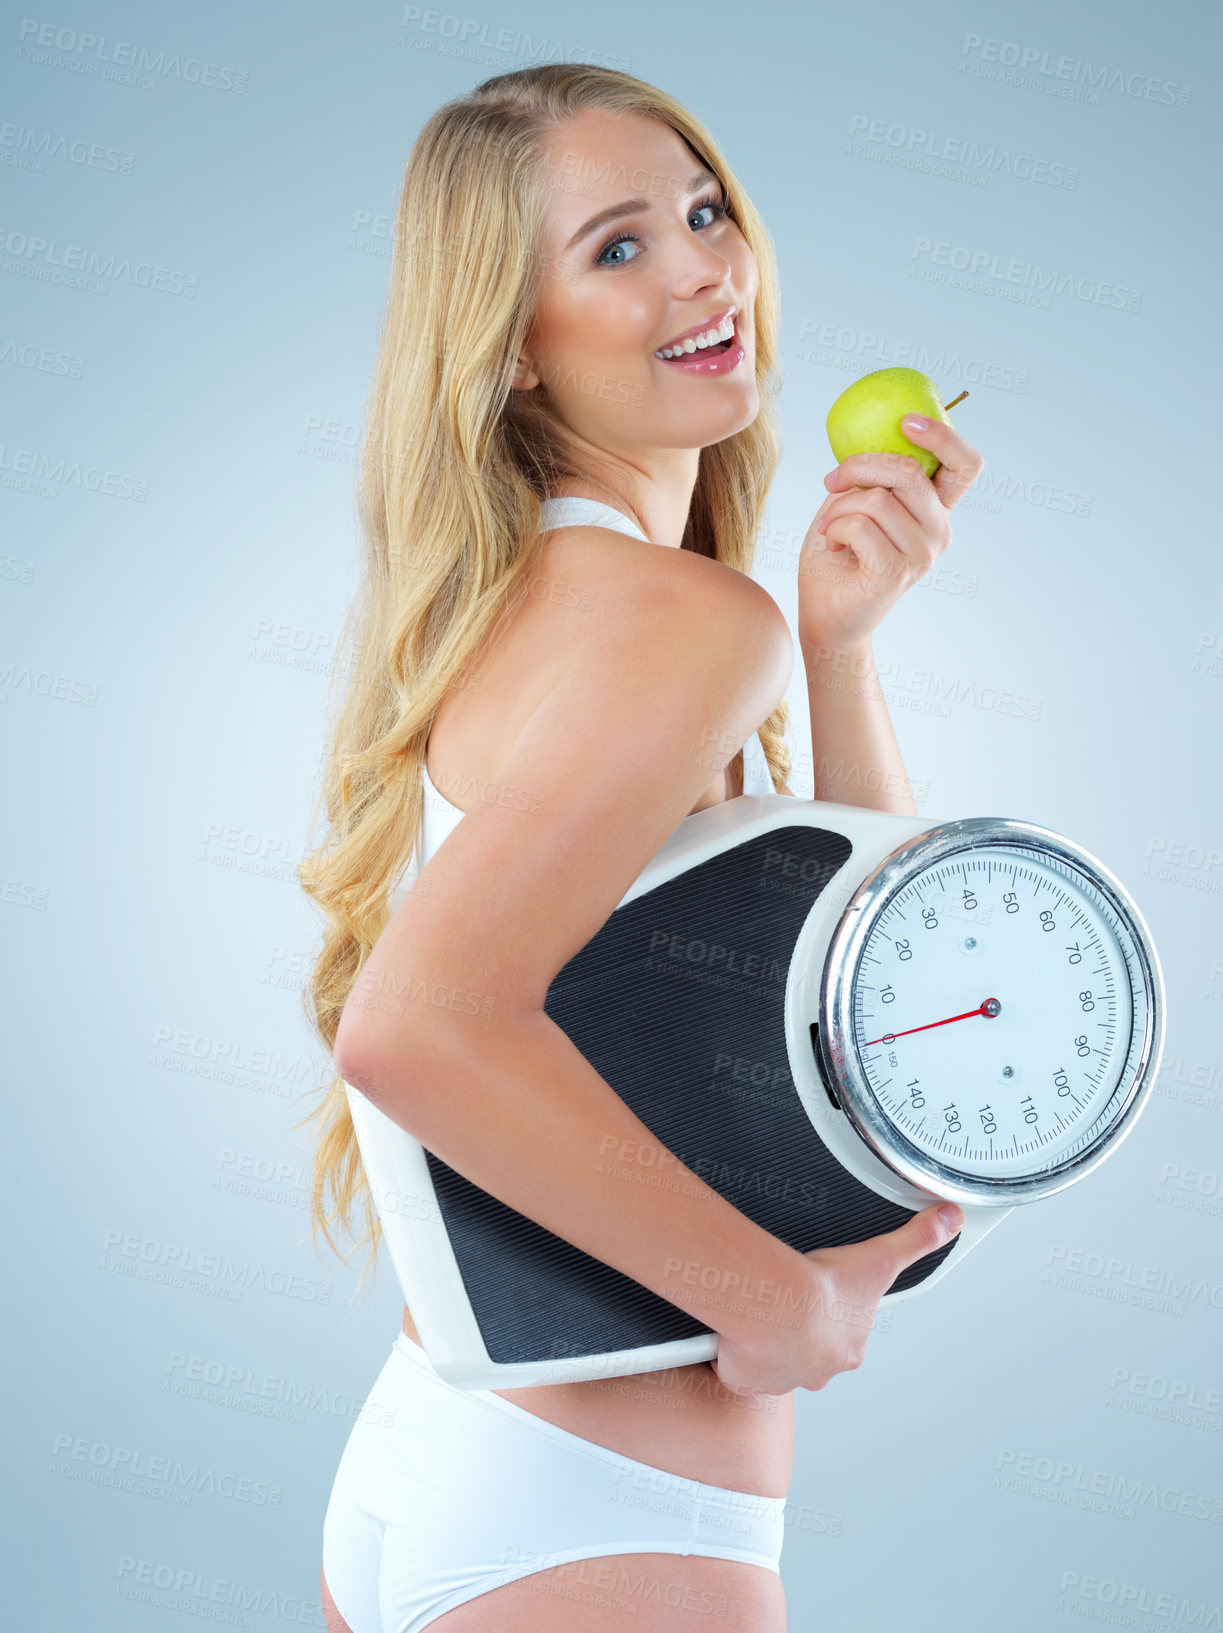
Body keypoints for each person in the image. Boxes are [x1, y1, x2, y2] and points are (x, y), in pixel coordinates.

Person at [296, 62, 985, 1633]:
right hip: (607, 1517)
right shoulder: (675, 622)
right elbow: (410, 1029)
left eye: (702, 209)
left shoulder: (529, 598)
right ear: (514, 351)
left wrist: (839, 650)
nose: (701, 267)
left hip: (443, 1461)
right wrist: (778, 1303)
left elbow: (863, 1006)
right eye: (616, 249)